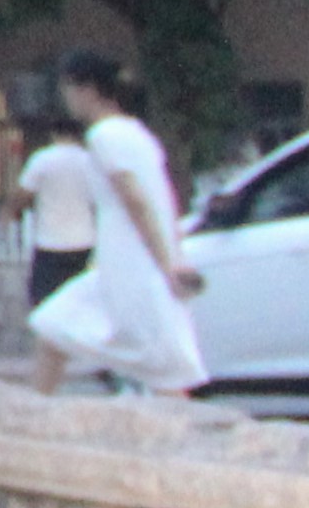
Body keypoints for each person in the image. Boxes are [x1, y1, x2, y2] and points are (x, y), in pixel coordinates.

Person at [26, 53, 208, 396]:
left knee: (159, 363)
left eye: (69, 89)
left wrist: (167, 264)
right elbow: (163, 199)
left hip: (128, 262)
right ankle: (31, 412)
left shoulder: (104, 136)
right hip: (126, 262)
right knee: (52, 327)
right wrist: (173, 256)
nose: (67, 99)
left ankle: (32, 409)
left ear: (87, 89)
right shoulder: (137, 133)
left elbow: (135, 200)